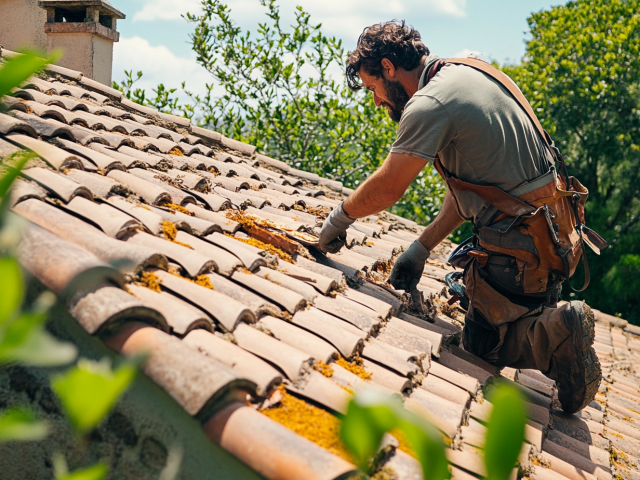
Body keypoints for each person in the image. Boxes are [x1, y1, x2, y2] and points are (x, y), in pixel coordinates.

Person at [318, 20, 601, 413]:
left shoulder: (429, 103)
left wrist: (336, 221)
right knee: (475, 298)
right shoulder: (470, 70)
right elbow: (475, 193)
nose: (378, 101)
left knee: (481, 343)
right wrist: (420, 248)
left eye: (373, 88)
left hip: (521, 255)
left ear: (387, 68)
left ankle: (556, 333)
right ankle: (534, 313)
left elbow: (388, 186)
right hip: (556, 244)